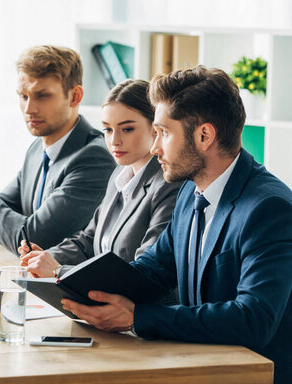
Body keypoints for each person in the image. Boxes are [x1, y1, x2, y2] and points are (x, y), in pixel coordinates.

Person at [60, 66, 292, 383]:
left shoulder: (269, 208)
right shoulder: (190, 190)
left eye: (164, 133)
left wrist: (135, 317)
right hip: (200, 362)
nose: (155, 148)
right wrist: (78, 289)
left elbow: (253, 319)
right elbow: (153, 268)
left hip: (251, 374)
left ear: (204, 136)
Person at [0, 45, 115, 254]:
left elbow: (32, 239)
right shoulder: (38, 148)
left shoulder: (94, 158)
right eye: (23, 96)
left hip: (65, 284)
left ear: (75, 96)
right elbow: (5, 210)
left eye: (42, 96)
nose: (29, 109)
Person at [19, 79, 182, 279]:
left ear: (154, 129)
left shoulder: (169, 185)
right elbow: (88, 240)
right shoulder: (119, 175)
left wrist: (57, 270)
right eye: (108, 129)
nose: (114, 141)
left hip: (139, 306)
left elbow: (143, 272)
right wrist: (44, 258)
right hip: (99, 302)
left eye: (127, 129)